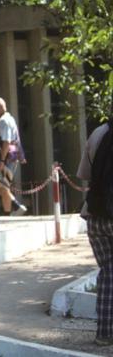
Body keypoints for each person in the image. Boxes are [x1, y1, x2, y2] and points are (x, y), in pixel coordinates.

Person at [78, 116, 113, 346]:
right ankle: (105, 332)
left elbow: (84, 174)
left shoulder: (99, 133)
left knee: (108, 272)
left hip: (96, 216)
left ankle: (104, 332)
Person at [0, 97, 28, 216]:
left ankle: (12, 210)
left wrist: (2, 161)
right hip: (8, 156)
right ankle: (14, 207)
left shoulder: (4, 121)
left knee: (3, 185)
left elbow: (6, 142)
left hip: (8, 156)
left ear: (0, 107)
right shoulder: (3, 120)